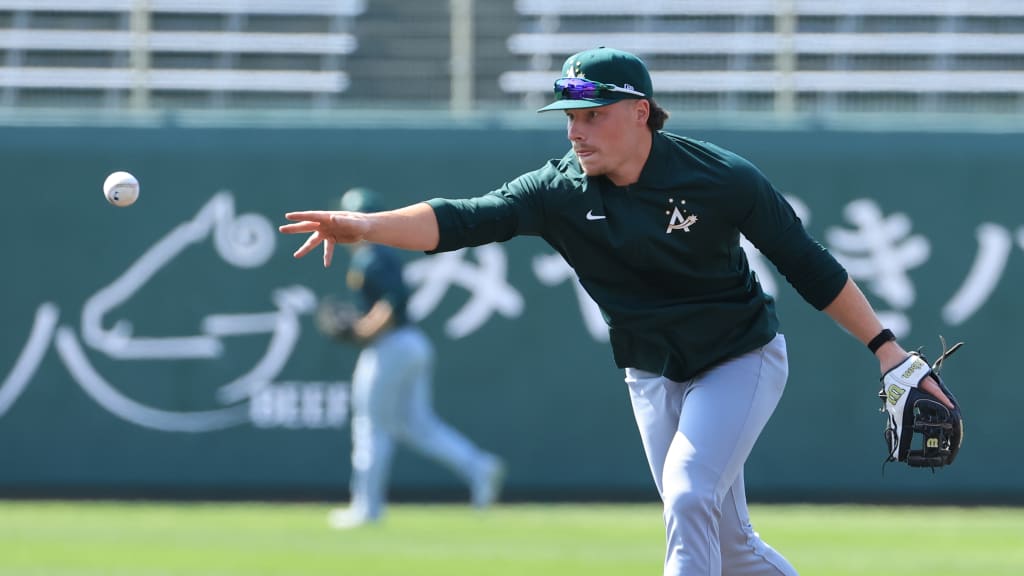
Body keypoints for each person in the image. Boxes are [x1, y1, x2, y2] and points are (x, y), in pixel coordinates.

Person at [281, 48, 954, 573]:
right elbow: (465, 218)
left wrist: (888, 351)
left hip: (739, 358)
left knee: (689, 495)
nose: (576, 130)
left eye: (592, 113)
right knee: (729, 545)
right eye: (569, 116)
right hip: (651, 371)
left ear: (641, 111)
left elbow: (807, 263)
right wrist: (364, 226)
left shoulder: (720, 178)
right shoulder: (559, 189)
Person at [319, 186, 505, 530]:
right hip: (410, 344)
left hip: (391, 346)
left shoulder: (373, 256)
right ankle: (478, 466)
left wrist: (359, 331)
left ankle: (366, 509)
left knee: (372, 426)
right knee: (418, 425)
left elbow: (389, 304)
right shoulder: (378, 254)